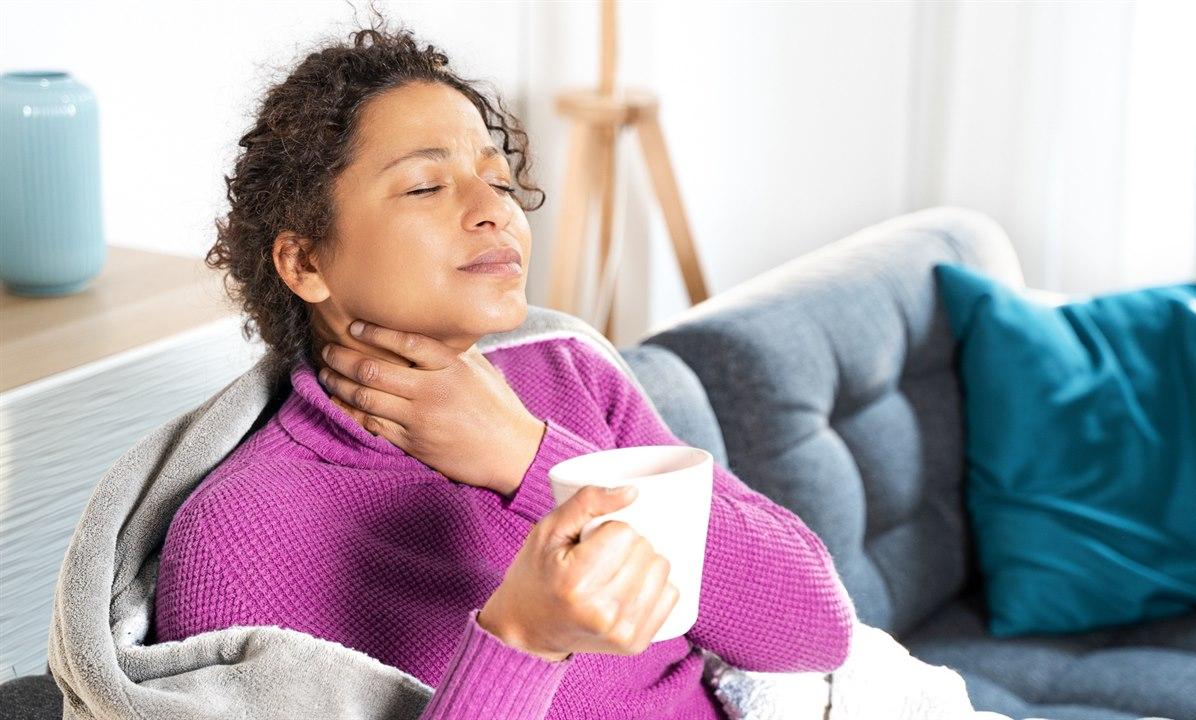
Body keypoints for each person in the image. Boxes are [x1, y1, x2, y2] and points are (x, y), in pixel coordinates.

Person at [152, 11, 854, 720]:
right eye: (426, 186)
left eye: (501, 180)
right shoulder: (239, 533)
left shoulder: (570, 377)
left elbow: (817, 628)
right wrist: (524, 637)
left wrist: (525, 452)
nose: (495, 210)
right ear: (305, 261)